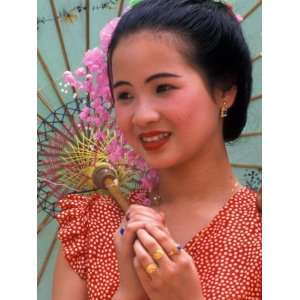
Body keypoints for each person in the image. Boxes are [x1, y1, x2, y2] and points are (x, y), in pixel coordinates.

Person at [53, 0, 261, 299]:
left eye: (163, 87)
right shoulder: (91, 225)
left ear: (225, 90)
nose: (142, 115)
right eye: (124, 95)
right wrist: (128, 292)